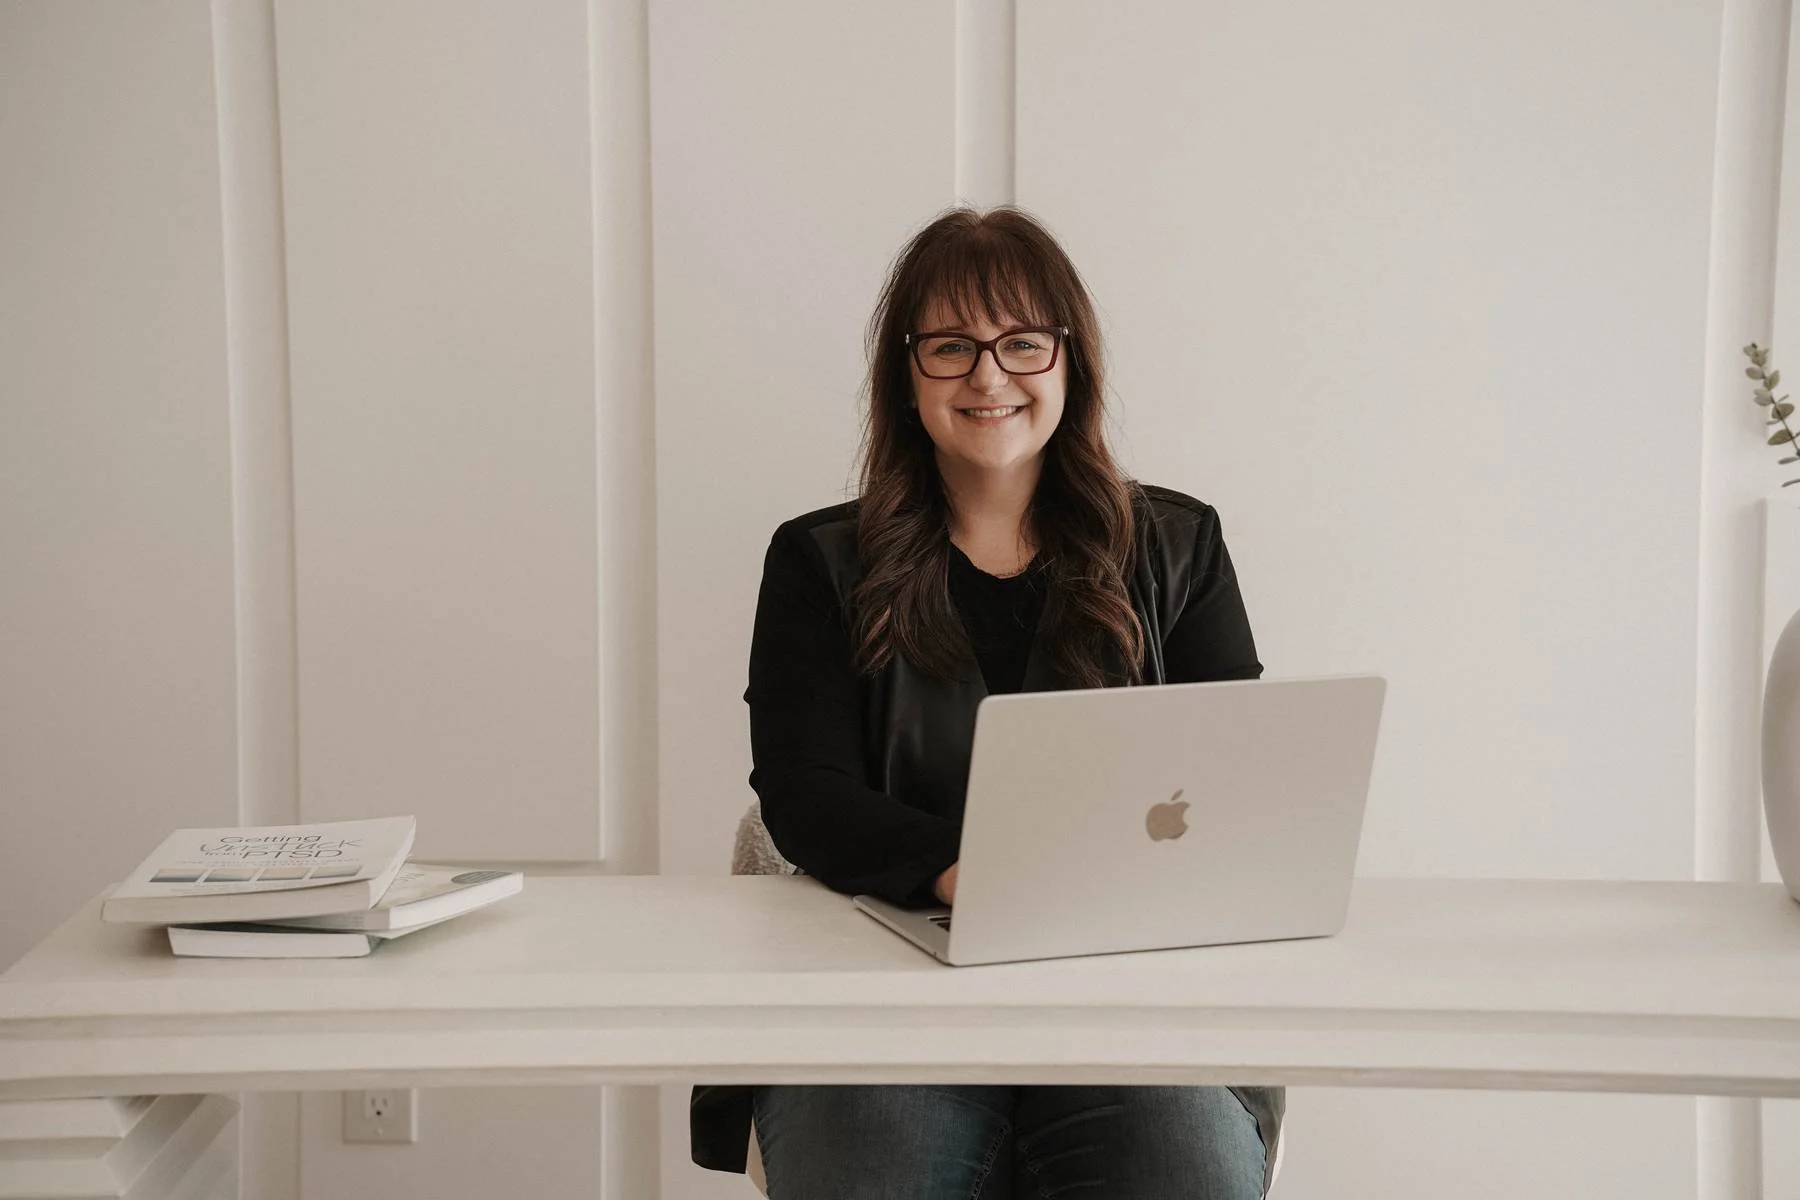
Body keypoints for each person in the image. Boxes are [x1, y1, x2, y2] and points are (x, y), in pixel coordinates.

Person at [691, 206, 1279, 1199]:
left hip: (1124, 991)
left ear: (1069, 361)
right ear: (906, 372)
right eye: (952, 346)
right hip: (878, 982)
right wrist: (970, 877)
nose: (989, 376)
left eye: (1021, 343)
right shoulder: (819, 562)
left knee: (1184, 1167)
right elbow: (802, 790)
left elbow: (1237, 776)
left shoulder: (1181, 546)